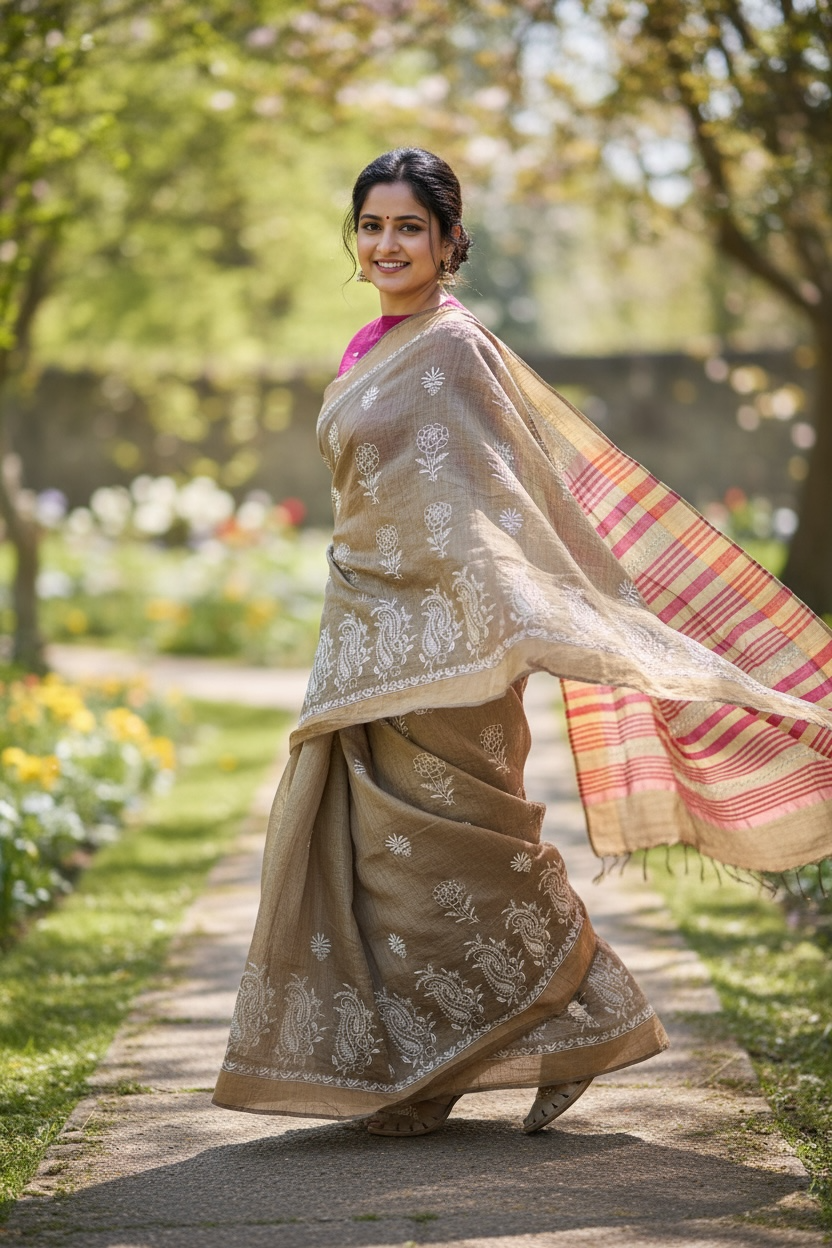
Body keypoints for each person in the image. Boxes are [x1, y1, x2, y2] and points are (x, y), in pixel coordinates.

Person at [213, 148, 832, 1137]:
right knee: (378, 863)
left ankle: (583, 1001)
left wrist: (500, 619)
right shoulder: (364, 350)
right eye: (371, 225)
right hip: (366, 636)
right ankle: (429, 1067)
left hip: (451, 650)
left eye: (408, 227)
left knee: (457, 860)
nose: (386, 244)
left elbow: (494, 503)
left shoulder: (456, 351)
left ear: (450, 241)